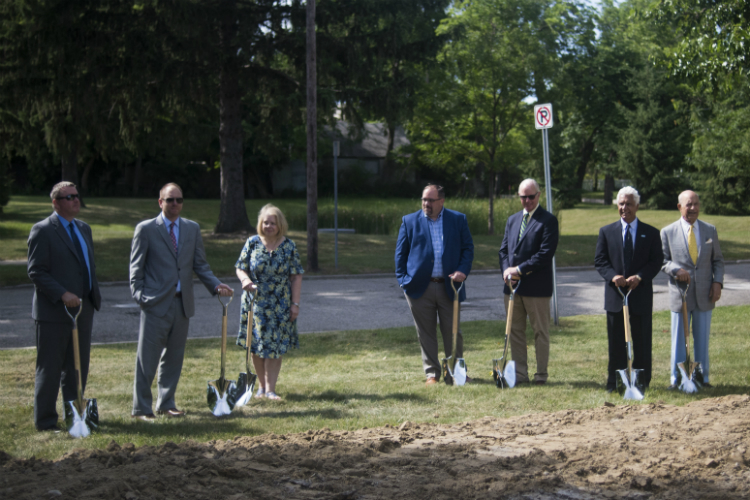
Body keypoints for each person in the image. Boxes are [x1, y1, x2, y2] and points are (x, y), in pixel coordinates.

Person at [129, 183, 233, 420]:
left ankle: (166, 403)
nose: (175, 204)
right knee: (147, 359)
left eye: (179, 200)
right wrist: (142, 297)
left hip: (182, 303)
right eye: (169, 200)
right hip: (155, 303)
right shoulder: (145, 229)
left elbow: (200, 265)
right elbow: (136, 269)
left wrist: (216, 285)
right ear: (160, 202)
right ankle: (141, 409)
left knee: (174, 358)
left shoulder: (191, 229)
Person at [27, 181, 102, 431]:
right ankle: (46, 420)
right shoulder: (43, 230)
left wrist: (90, 295)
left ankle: (75, 415)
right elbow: (36, 271)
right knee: (50, 366)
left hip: (83, 309)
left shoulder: (84, 228)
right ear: (56, 203)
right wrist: (62, 294)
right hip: (54, 311)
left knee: (77, 366)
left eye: (77, 196)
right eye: (69, 197)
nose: (75, 200)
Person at [395, 184, 474, 385]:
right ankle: (432, 374)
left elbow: (467, 249)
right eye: (424, 199)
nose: (426, 204)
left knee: (453, 331)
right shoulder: (409, 221)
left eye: (430, 200)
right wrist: (404, 281)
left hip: (450, 286)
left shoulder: (458, 219)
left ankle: (456, 372)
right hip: (420, 288)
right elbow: (400, 255)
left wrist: (462, 271)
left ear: (441, 201)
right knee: (426, 332)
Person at [594, 186, 663, 392]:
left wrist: (640, 277)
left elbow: (656, 261)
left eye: (629, 204)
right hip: (616, 297)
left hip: (640, 295)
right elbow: (600, 261)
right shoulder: (606, 232)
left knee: (641, 341)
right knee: (616, 343)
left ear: (637, 206)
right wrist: (613, 276)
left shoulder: (651, 233)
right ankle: (615, 383)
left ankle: (642, 382)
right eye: (621, 203)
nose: (625, 208)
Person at [235, 204, 304, 400]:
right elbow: (240, 267)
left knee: (275, 347)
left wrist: (295, 304)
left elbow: (297, 275)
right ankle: (261, 388)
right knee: (256, 346)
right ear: (260, 224)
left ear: (280, 224)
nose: (269, 226)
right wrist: (245, 280)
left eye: (273, 223)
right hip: (255, 303)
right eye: (265, 222)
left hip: (280, 304)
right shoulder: (252, 243)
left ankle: (271, 389)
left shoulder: (289, 246)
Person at [661, 190, 724, 389]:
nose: (693, 208)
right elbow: (661, 260)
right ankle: (677, 379)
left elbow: (718, 261)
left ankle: (702, 379)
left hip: (705, 294)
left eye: (696, 204)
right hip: (681, 295)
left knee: (702, 339)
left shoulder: (709, 230)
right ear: (679, 207)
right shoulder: (667, 232)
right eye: (688, 204)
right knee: (679, 340)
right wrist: (675, 269)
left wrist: (717, 283)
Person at [498, 179, 559, 385]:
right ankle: (520, 374)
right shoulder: (513, 220)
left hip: (537, 288)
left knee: (540, 332)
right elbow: (504, 250)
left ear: (539, 195)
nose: (527, 200)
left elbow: (545, 254)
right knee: (515, 331)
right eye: (523, 197)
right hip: (512, 288)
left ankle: (541, 375)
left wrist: (519, 270)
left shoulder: (548, 221)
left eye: (531, 196)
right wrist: (507, 271)